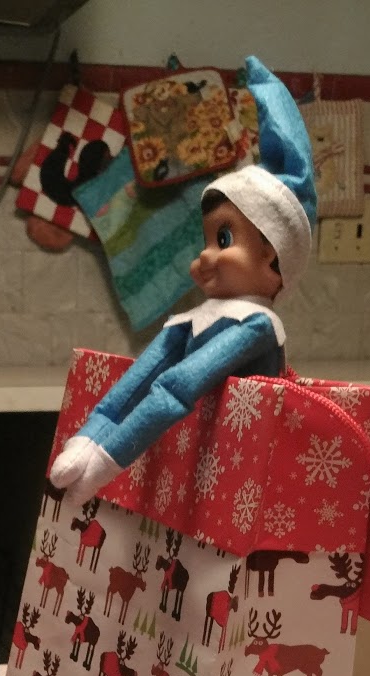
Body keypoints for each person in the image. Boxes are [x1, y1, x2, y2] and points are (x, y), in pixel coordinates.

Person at [49, 57, 317, 504]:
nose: (204, 257)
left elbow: (177, 386)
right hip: (196, 478)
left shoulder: (256, 326)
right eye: (207, 240)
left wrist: (106, 463)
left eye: (223, 239)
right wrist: (89, 437)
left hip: (239, 486)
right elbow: (138, 381)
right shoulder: (200, 318)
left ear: (271, 251)